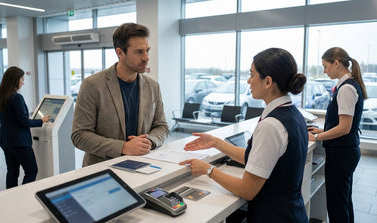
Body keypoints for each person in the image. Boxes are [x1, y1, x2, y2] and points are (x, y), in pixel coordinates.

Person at [180, 48, 309, 222]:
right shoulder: (292, 113)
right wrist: (216, 142)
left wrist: (208, 170)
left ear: (268, 81)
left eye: (252, 75)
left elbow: (247, 190)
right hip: (290, 212)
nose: (249, 81)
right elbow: (258, 159)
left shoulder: (271, 125)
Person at [72, 23, 169, 166]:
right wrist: (123, 147)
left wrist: (148, 142)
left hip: (143, 165)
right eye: (139, 52)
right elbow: (80, 136)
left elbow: (161, 126)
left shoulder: (153, 86)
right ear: (120, 52)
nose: (146, 57)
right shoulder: (92, 85)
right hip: (102, 170)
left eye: (147, 50)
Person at [308, 47, 367, 223]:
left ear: (336, 63)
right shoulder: (346, 85)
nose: (324, 71)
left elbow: (344, 128)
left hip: (342, 155)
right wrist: (323, 130)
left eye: (326, 66)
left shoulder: (346, 89)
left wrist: (318, 137)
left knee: (337, 205)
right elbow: (341, 123)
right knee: (343, 201)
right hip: (345, 153)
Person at [0, 66, 51, 189]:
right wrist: (41, 121)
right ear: (15, 80)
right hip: (19, 142)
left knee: (12, 172)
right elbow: (23, 122)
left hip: (5, 140)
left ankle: (12, 199)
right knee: (31, 171)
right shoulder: (16, 97)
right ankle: (23, 197)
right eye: (22, 79)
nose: (23, 82)